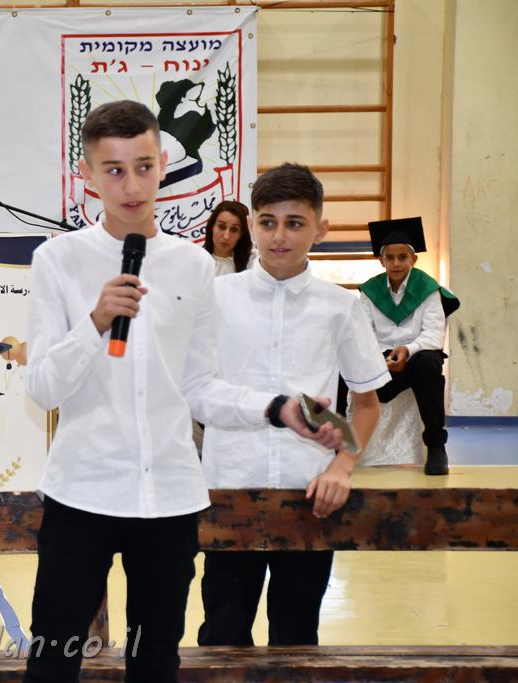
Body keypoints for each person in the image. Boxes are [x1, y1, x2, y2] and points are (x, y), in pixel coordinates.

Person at [23, 103, 343, 683]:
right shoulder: (57, 260)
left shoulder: (193, 266)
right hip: (82, 492)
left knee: (156, 664)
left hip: (168, 499)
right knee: (53, 662)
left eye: (144, 167)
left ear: (163, 165)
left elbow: (199, 387)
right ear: (86, 174)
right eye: (114, 170)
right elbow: (43, 387)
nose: (132, 186)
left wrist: (276, 409)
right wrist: (95, 322)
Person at [197, 162, 389, 648]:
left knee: (297, 636)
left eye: (295, 223)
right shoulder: (215, 297)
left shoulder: (340, 306)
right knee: (222, 634)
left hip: (311, 496)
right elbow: (197, 389)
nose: (279, 236)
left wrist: (342, 467)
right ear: (253, 225)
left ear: (320, 229)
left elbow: (366, 404)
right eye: (268, 222)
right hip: (229, 489)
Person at [359, 216, 459, 475]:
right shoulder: (369, 292)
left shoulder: (428, 289)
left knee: (429, 363)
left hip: (416, 357)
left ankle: (436, 445)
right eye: (390, 258)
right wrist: (378, 359)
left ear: (413, 259)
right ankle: (337, 444)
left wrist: (407, 349)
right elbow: (363, 334)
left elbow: (434, 335)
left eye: (402, 257)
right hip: (380, 360)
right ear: (381, 260)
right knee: (340, 368)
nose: (396, 263)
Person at [203, 200, 254, 275]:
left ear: (241, 234)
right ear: (212, 227)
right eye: (221, 227)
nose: (226, 236)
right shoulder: (197, 260)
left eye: (234, 229)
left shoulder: (252, 262)